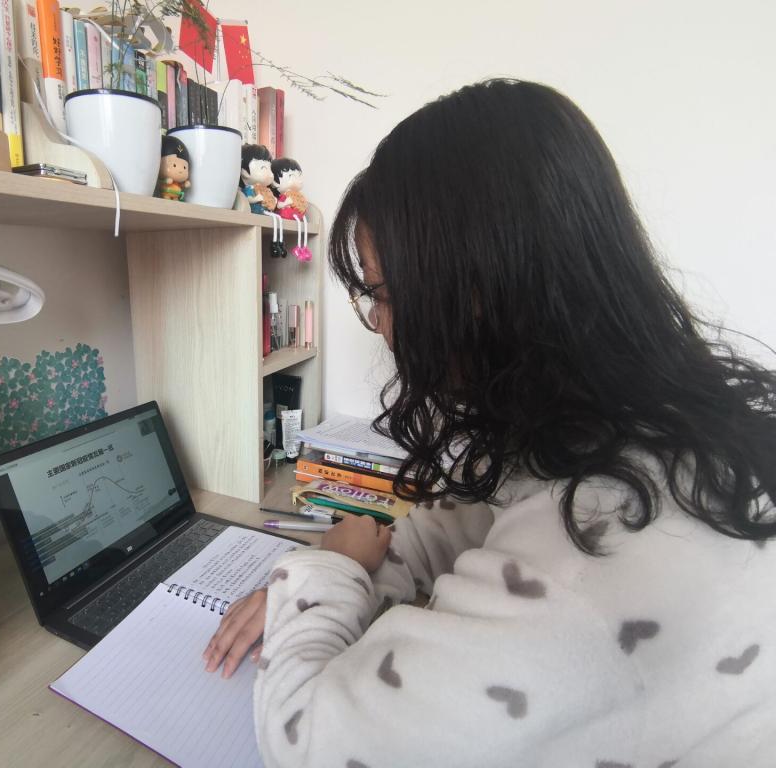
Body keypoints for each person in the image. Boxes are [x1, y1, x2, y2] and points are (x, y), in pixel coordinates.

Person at [203, 79, 776, 767]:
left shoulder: (580, 577)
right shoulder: (645, 431)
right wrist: (375, 557)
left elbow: (308, 741)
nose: (379, 324)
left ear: (479, 290)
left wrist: (326, 572)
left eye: (381, 295)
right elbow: (486, 516)